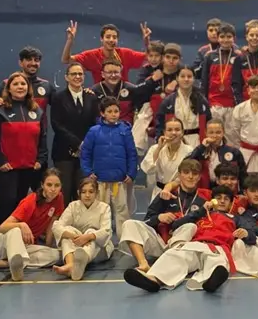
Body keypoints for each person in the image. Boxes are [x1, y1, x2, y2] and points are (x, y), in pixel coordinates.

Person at [122, 185, 234, 294]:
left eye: (226, 199)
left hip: (217, 247)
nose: (222, 201)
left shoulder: (235, 218)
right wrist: (202, 210)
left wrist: (246, 234)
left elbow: (249, 227)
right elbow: (179, 223)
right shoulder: (201, 214)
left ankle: (211, 281)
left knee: (217, 261)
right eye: (218, 198)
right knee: (176, 255)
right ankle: (154, 279)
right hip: (195, 244)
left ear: (230, 205)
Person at [120, 159, 204, 272]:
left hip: (184, 244)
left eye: (194, 173)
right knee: (129, 224)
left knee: (190, 226)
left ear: (199, 177)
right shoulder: (166, 195)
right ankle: (143, 263)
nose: (190, 176)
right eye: (186, 172)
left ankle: (170, 262)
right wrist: (159, 218)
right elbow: (147, 221)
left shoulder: (204, 197)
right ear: (179, 175)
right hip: (160, 241)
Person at [0, 72, 48, 231]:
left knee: (21, 202)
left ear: (28, 88)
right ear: (8, 88)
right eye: (15, 84)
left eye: (23, 84)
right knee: (7, 199)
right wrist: (0, 160)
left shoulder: (36, 110)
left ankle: (17, 234)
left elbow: (42, 136)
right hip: (7, 166)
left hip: (29, 166)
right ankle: (0, 235)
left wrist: (41, 159)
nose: (20, 87)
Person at [0, 169, 63, 281]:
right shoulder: (30, 201)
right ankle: (16, 266)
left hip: (25, 247)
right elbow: (2, 228)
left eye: (57, 185)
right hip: (3, 243)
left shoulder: (59, 198)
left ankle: (9, 262)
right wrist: (21, 225)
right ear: (42, 185)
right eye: (49, 185)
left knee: (57, 255)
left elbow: (51, 224)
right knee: (15, 230)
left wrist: (47, 246)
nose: (53, 189)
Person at [81, 97, 138, 238]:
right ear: (102, 113)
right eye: (109, 111)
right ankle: (101, 241)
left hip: (119, 181)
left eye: (116, 111)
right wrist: (88, 172)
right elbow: (85, 154)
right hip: (100, 181)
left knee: (122, 212)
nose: (113, 114)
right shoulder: (94, 131)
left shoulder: (125, 131)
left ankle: (126, 240)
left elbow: (132, 154)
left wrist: (131, 173)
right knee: (100, 212)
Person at [50, 62, 100, 207]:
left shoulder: (92, 97)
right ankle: (63, 226)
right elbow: (56, 124)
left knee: (84, 190)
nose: (77, 77)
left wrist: (87, 144)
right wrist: (78, 143)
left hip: (86, 153)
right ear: (66, 77)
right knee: (64, 191)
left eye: (80, 74)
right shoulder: (58, 97)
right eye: (73, 74)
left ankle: (81, 226)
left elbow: (95, 123)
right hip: (63, 152)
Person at [51, 178, 113, 281]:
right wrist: (74, 236)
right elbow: (56, 226)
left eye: (91, 192)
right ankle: (72, 265)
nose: (87, 195)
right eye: (84, 192)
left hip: (98, 250)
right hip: (76, 244)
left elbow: (106, 231)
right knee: (67, 230)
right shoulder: (73, 206)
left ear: (97, 193)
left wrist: (88, 237)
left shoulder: (104, 207)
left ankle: (79, 261)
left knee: (91, 231)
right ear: (78, 193)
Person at [61, 21, 150, 83]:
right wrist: (70, 40)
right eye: (108, 37)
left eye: (114, 37)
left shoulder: (126, 54)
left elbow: (149, 58)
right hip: (101, 100)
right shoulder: (92, 55)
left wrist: (147, 43)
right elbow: (66, 60)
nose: (111, 40)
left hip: (123, 99)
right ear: (101, 39)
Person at [141, 119, 194, 202]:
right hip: (159, 192)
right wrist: (159, 148)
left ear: (182, 132)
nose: (173, 133)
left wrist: (170, 186)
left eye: (177, 129)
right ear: (164, 132)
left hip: (180, 193)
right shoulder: (155, 148)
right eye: (169, 130)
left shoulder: (189, 151)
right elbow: (148, 170)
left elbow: (189, 175)